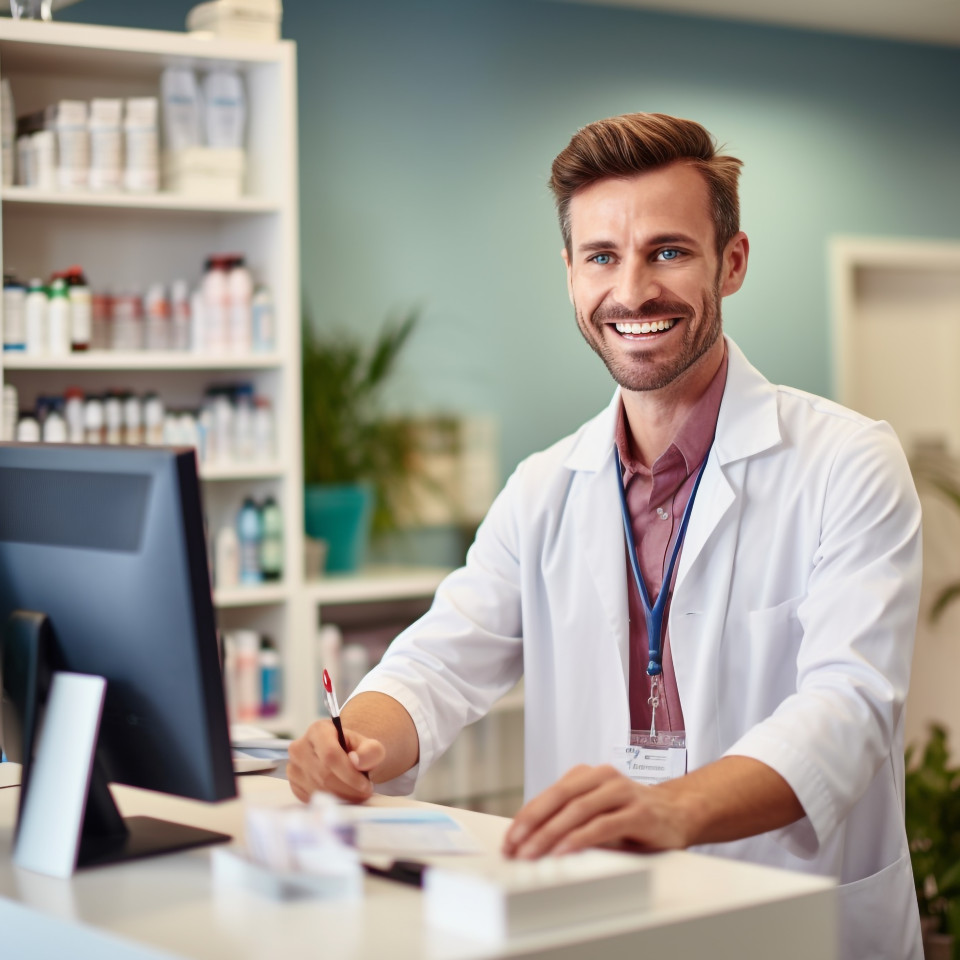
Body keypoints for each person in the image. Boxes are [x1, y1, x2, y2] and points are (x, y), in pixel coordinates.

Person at [288, 113, 923, 960]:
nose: (631, 291)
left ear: (730, 263)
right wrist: (352, 741)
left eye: (668, 251)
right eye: (602, 257)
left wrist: (674, 808)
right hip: (596, 920)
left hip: (788, 919)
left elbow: (848, 711)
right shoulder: (545, 487)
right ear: (570, 273)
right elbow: (438, 663)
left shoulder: (848, 462)